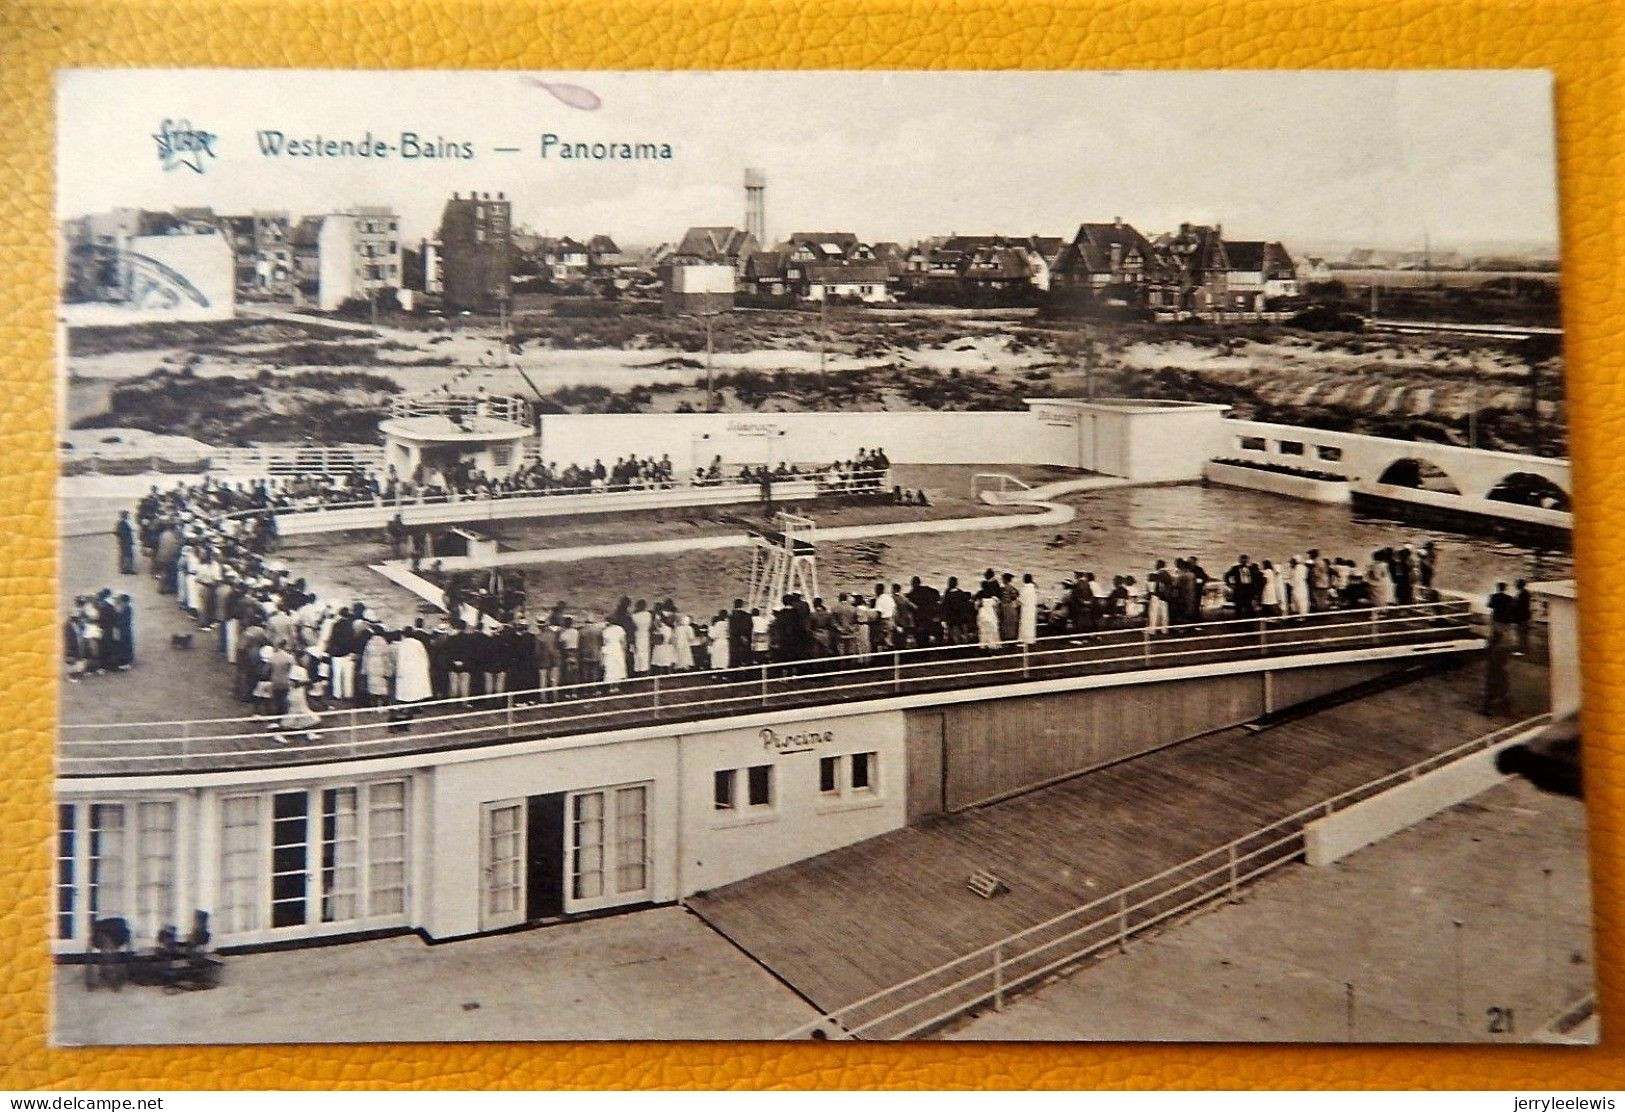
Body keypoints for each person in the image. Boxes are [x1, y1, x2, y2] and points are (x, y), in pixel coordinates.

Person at [1484, 582, 1518, 715]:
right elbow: (1513, 609)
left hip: (1497, 621)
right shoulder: (1509, 598)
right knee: (1502, 681)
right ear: (1505, 589)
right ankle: (1504, 701)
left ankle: (1489, 705)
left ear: (1498, 588)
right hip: (1505, 623)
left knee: (1492, 683)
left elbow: (1489, 606)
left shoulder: (1494, 596)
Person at [393, 626, 433, 725]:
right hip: (418, 670)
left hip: (407, 671)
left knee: (407, 691)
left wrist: (399, 672)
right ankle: (417, 706)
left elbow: (401, 660)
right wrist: (426, 667)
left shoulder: (403, 645)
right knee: (417, 690)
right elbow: (424, 656)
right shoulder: (418, 643)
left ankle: (407, 708)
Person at [601, 618, 628, 689]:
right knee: (618, 666)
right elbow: (623, 642)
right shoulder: (620, 629)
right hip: (617, 649)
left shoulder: (606, 631)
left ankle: (611, 687)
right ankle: (616, 686)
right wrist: (624, 651)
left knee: (610, 667)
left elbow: (604, 642)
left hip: (609, 649)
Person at [630, 600, 653, 675]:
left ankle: (638, 670)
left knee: (637, 654)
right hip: (646, 635)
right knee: (645, 653)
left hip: (638, 635)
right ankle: (645, 671)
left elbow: (633, 627)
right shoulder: (648, 615)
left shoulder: (634, 616)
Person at [1017, 573, 1039, 646]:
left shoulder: (1023, 589)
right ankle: (1031, 640)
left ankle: (1024, 640)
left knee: (1024, 624)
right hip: (1032, 608)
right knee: (1031, 624)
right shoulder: (1034, 588)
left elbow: (1020, 600)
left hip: (1025, 609)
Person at [1512, 578, 1533, 655]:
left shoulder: (1522, 594)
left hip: (1521, 617)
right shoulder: (1525, 593)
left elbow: (1519, 606)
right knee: (1522, 634)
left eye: (1516, 584)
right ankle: (1523, 649)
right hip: (1524, 616)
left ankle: (1521, 650)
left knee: (1521, 634)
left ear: (1519, 585)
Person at [114, 511, 137, 575]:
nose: (128, 516)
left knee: (124, 555)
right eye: (127, 515)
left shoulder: (120, 523)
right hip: (125, 542)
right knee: (128, 555)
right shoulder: (123, 523)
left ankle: (124, 568)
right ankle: (127, 569)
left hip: (123, 542)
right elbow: (121, 533)